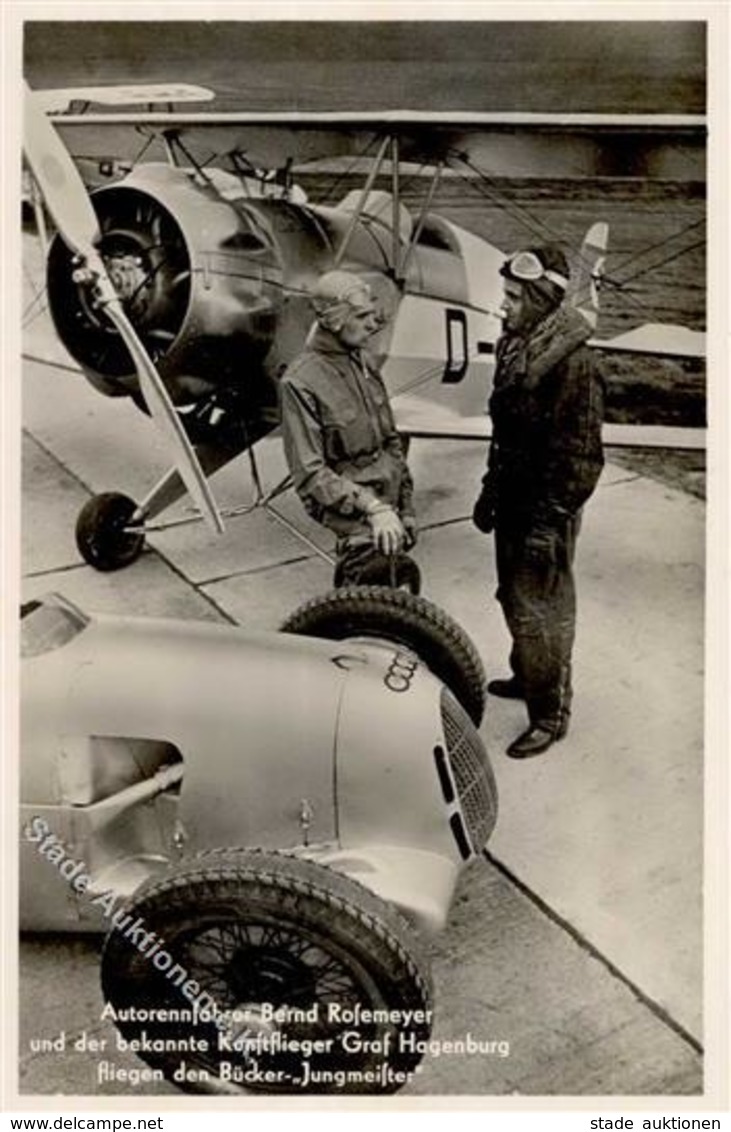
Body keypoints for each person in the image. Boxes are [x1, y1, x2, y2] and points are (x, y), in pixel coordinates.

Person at [472, 245, 604, 759]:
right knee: (514, 597)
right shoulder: (517, 346)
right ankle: (528, 675)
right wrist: (490, 490)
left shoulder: (575, 363)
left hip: (546, 509)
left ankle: (550, 714)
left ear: (541, 298)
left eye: (512, 297)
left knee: (542, 611)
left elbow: (582, 458)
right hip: (514, 500)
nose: (502, 306)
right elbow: (504, 435)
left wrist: (549, 524)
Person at [280, 270, 417, 588]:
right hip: (355, 516)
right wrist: (373, 508)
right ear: (334, 320)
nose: (373, 325)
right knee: (368, 600)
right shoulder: (300, 381)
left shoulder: (365, 364)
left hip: (388, 511)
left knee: (399, 592)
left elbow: (392, 444)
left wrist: (406, 507)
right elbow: (310, 474)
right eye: (362, 316)